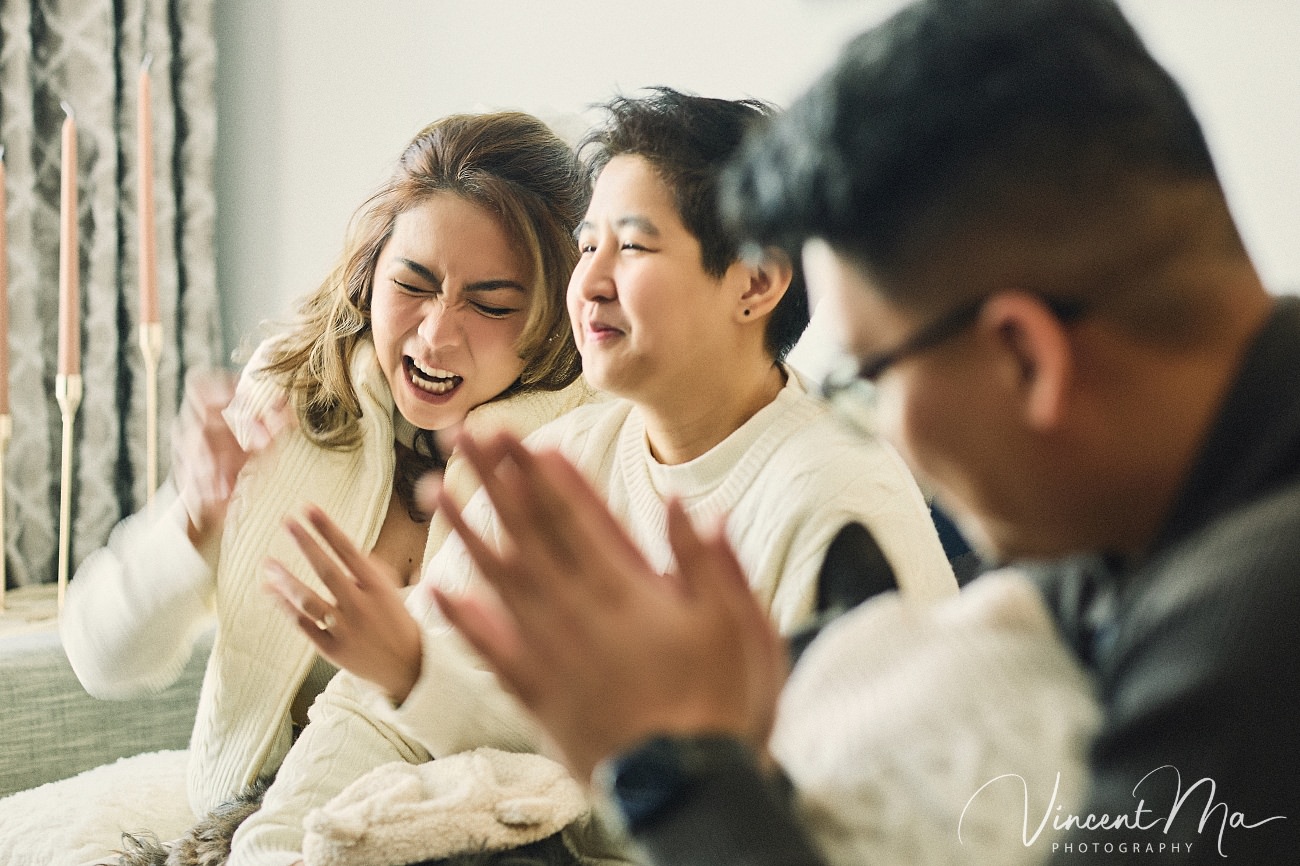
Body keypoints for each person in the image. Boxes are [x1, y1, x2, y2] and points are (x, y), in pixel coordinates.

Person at [429, 1, 1300, 864]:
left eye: (868, 379)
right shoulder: (1144, 510)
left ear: (1026, 358)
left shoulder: (1252, 634)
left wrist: (670, 769)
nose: (873, 428)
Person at [228, 88, 958, 866]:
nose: (590, 283)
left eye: (633, 249)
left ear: (754, 283)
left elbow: (892, 830)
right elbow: (379, 708)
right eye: (587, 247)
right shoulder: (563, 457)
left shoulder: (841, 503)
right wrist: (269, 851)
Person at [18, 112, 594, 862]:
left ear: (553, 319)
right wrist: (190, 524)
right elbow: (100, 658)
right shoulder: (290, 397)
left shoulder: (586, 455)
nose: (434, 335)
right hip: (242, 830)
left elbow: (570, 745)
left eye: (490, 304)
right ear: (370, 266)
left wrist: (410, 668)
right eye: (412, 284)